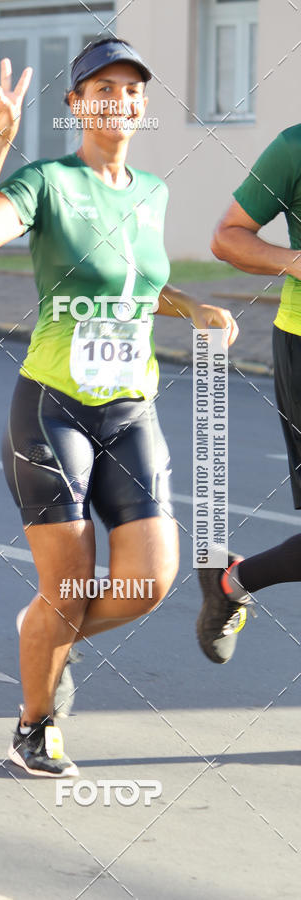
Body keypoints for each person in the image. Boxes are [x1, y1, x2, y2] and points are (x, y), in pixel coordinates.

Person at [0, 38, 238, 777]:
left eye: (131, 89)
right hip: (54, 409)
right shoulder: (46, 181)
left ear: (142, 105)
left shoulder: (152, 190)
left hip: (131, 410)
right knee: (71, 587)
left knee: (147, 582)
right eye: (101, 88)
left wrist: (193, 306)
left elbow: (134, 286)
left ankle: (44, 632)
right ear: (77, 104)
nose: (119, 99)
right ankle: (34, 725)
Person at [197, 125, 301, 664]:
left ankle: (231, 583)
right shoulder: (295, 147)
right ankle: (232, 585)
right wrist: (297, 261)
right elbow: (228, 236)